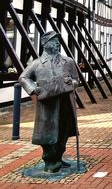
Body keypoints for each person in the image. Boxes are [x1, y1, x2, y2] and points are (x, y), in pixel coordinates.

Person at [19, 31, 79, 173]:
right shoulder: (37, 64)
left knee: (63, 132)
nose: (58, 43)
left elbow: (77, 80)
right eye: (54, 41)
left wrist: (72, 82)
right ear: (44, 44)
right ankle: (50, 161)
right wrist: (34, 89)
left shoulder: (68, 61)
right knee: (48, 134)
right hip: (48, 104)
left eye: (58, 40)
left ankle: (58, 157)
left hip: (65, 102)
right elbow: (23, 78)